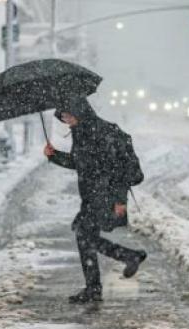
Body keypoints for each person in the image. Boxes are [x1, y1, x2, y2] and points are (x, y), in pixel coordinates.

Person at [44, 97, 147, 303]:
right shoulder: (82, 132)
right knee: (86, 237)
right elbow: (81, 163)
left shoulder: (99, 132)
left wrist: (119, 200)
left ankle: (96, 286)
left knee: (84, 235)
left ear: (79, 112)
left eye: (68, 115)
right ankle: (125, 260)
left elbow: (116, 168)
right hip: (92, 195)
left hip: (105, 195)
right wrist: (54, 155)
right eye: (63, 117)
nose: (66, 120)